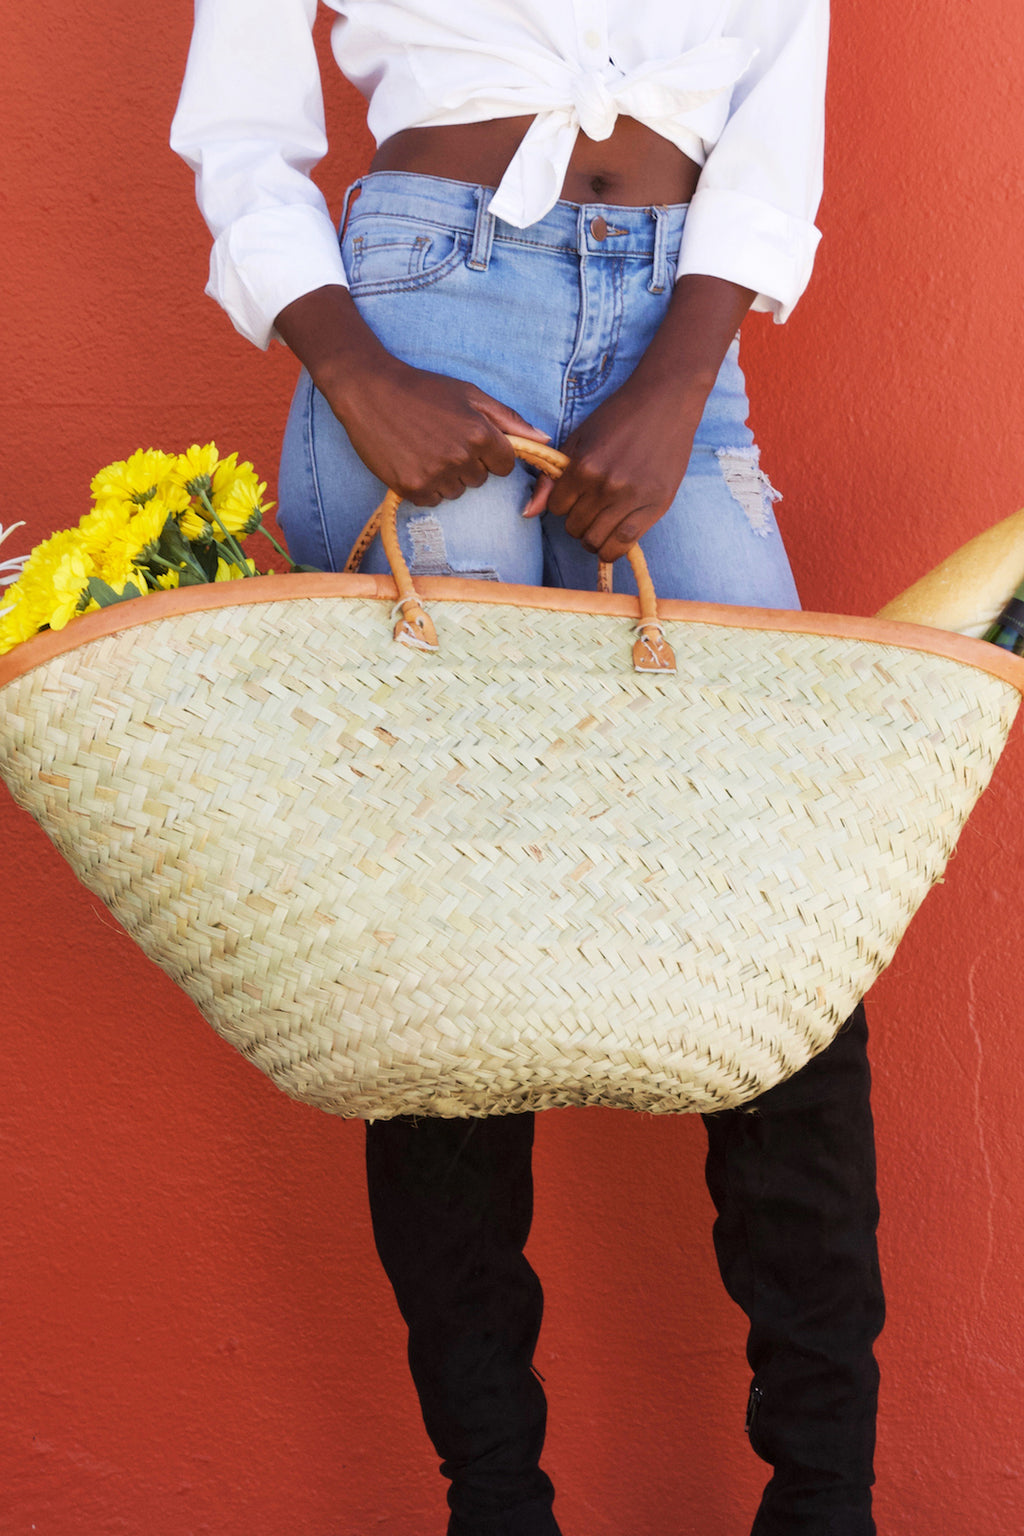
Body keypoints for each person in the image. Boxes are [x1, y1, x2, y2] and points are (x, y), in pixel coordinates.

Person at [171, 4, 885, 1533]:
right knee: (448, 921)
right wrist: (352, 367)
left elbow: (773, 112)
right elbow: (238, 130)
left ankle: (826, 1502)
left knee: (787, 901)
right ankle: (497, 1504)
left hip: (678, 318)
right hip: (421, 316)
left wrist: (685, 377)